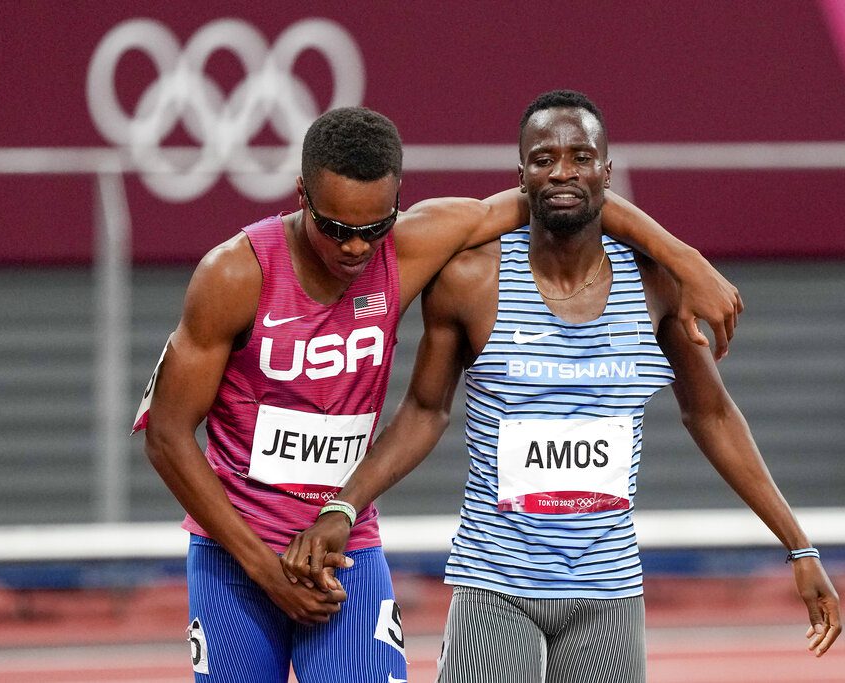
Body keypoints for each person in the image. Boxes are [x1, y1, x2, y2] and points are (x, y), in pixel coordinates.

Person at [135, 105, 742, 682]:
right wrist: (266, 571)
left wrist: (689, 263)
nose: (354, 248)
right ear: (301, 196)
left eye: (373, 228)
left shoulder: (407, 249)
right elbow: (166, 436)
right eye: (336, 228)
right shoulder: (235, 275)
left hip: (343, 547)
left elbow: (565, 195)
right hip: (236, 554)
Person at [286, 92, 842, 682]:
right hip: (495, 585)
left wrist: (799, 546)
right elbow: (424, 410)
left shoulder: (656, 285)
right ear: (520, 174)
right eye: (543, 158)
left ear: (608, 169)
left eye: (581, 157)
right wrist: (345, 503)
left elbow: (713, 416)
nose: (562, 172)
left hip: (608, 593)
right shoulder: (471, 280)